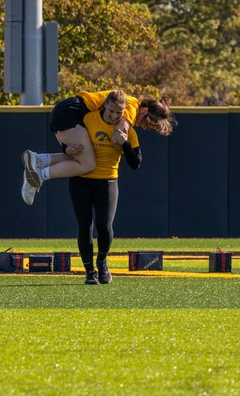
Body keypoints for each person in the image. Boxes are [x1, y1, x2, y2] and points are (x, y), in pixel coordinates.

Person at [27, 90, 143, 285]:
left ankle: (102, 262)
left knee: (104, 227)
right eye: (112, 110)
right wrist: (66, 149)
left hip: (107, 181)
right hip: (81, 180)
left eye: (119, 113)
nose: (114, 116)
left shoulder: (126, 130)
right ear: (105, 105)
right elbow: (66, 138)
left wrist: (124, 145)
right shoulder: (88, 119)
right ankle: (89, 271)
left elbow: (136, 162)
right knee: (85, 226)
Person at [21, 89, 175, 205]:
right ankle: (39, 175)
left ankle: (39, 159)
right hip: (72, 113)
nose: (145, 126)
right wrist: (121, 145)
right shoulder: (132, 107)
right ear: (146, 110)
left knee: (80, 156)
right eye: (147, 122)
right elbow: (120, 131)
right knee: (88, 164)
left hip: (66, 109)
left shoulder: (132, 104)